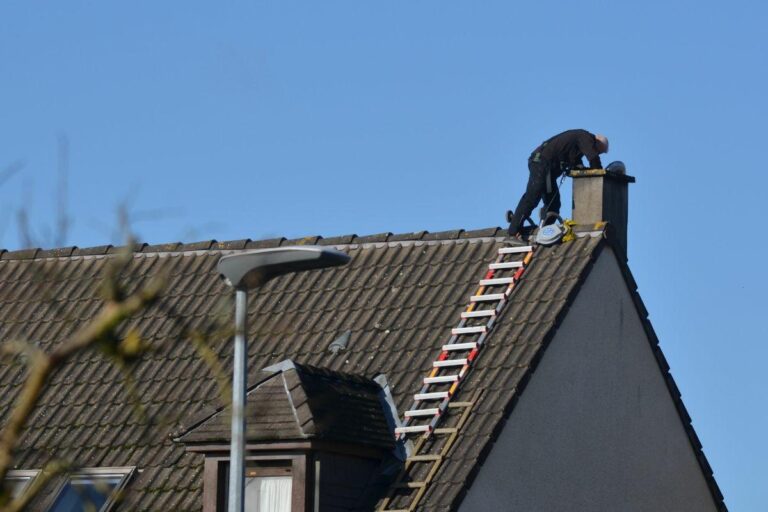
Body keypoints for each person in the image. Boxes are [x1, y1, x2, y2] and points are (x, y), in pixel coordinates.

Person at [507, 129, 609, 237]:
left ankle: (544, 231)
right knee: (533, 195)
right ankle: (514, 231)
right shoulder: (586, 137)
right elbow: (593, 158)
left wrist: (581, 169)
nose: (598, 153)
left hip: (547, 170)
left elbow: (577, 165)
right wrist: (599, 172)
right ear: (596, 142)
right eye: (599, 151)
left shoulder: (578, 145)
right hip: (541, 162)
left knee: (554, 204)